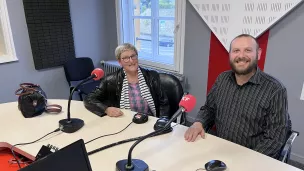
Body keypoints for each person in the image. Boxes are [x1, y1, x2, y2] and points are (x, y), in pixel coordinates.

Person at [184, 34, 291, 159]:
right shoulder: (222, 79)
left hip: (252, 158)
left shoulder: (275, 90)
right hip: (218, 151)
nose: (241, 56)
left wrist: (247, 161)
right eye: (236, 51)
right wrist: (198, 123)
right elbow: (209, 109)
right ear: (230, 55)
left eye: (248, 50)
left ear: (258, 54)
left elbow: (275, 139)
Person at [84, 43, 170, 118]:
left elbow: (164, 103)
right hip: (123, 121)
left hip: (149, 121)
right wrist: (106, 109)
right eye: (125, 58)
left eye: (133, 56)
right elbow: (89, 99)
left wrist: (162, 121)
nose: (131, 61)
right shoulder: (110, 80)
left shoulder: (152, 76)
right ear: (120, 62)